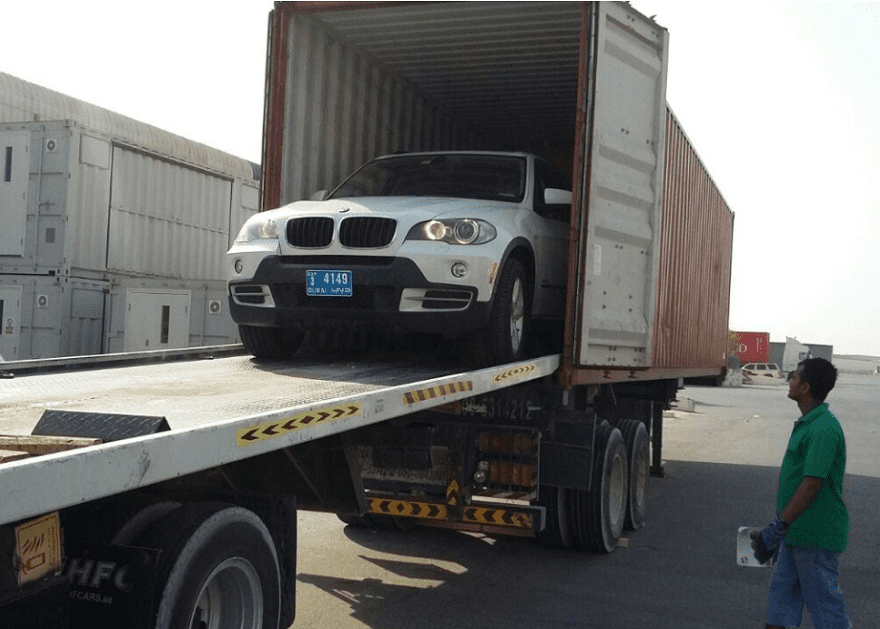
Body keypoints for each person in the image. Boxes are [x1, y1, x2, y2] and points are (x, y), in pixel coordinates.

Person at [751, 357, 850, 628]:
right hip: (796, 535)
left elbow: (812, 484)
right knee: (781, 602)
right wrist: (781, 530)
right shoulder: (811, 423)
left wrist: (778, 526)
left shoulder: (823, 428)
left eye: (794, 376)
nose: (789, 380)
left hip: (814, 537)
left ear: (805, 387)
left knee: (826, 608)